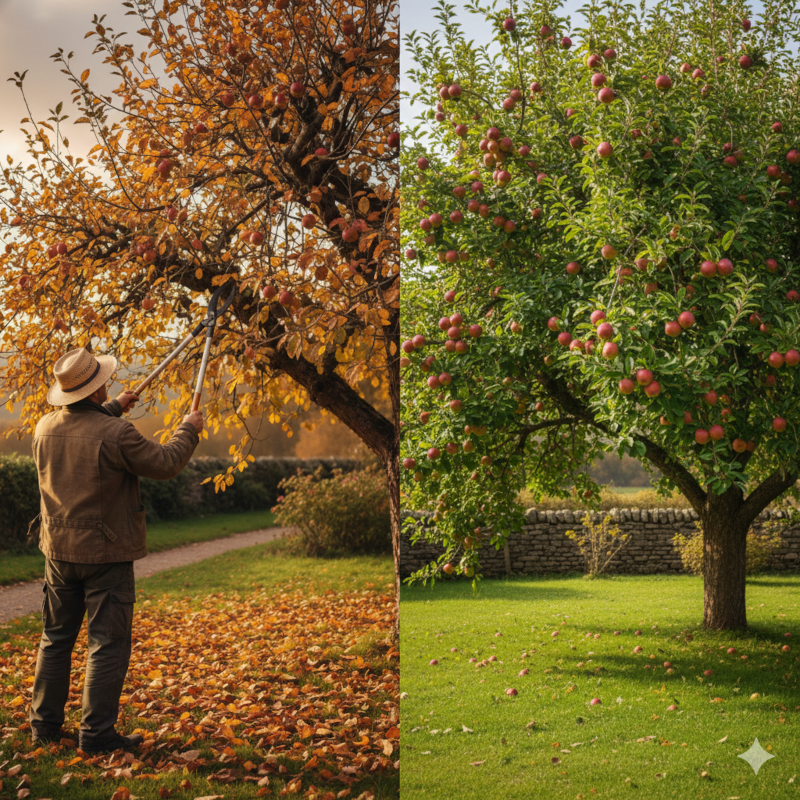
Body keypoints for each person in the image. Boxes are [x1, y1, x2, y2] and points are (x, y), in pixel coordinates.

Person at [27, 347, 203, 754]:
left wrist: (111, 408)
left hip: (58, 552)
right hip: (105, 555)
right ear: (95, 388)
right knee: (107, 643)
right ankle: (97, 736)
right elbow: (166, 462)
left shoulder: (44, 427)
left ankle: (44, 728)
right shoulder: (116, 434)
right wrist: (188, 428)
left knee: (55, 639)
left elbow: (85, 429)